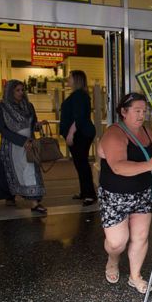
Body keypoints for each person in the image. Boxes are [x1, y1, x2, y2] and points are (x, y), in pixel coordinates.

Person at [97, 92, 152, 293]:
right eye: (137, 111)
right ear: (124, 112)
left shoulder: (148, 133)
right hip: (115, 196)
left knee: (140, 236)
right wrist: (150, 164)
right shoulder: (114, 133)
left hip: (142, 193)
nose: (142, 115)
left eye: (144, 111)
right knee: (117, 243)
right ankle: (113, 260)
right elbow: (118, 167)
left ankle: (135, 276)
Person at [0, 80, 47, 213]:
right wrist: (21, 141)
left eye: (22, 90)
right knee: (10, 172)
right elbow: (2, 129)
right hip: (11, 146)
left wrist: (38, 125)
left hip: (29, 147)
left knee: (30, 171)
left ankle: (35, 203)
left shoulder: (28, 106)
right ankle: (10, 196)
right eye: (17, 90)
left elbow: (32, 124)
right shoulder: (1, 107)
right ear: (10, 91)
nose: (21, 93)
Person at [60, 70, 97, 206]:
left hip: (80, 134)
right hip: (80, 133)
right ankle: (85, 192)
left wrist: (70, 134)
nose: (68, 79)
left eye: (70, 77)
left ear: (77, 80)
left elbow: (79, 117)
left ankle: (90, 194)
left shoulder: (79, 96)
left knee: (82, 164)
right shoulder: (79, 95)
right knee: (79, 164)